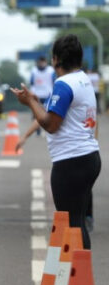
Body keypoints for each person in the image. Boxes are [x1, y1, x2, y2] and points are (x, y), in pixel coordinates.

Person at [13, 34, 101, 249]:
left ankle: (78, 277)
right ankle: (79, 276)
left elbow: (50, 124)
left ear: (55, 59)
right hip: (89, 157)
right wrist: (35, 100)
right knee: (77, 220)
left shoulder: (63, 84)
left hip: (71, 162)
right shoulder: (83, 79)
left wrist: (29, 103)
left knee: (71, 223)